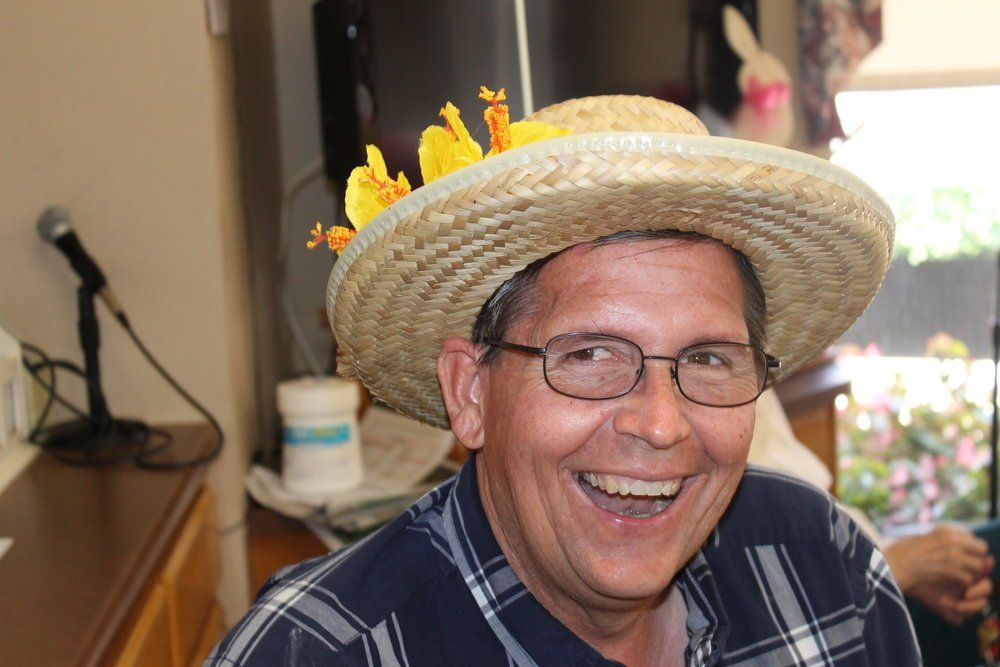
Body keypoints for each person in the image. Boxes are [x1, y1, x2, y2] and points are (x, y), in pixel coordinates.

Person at [208, 91, 920, 665]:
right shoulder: (315, 651)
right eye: (590, 355)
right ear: (471, 390)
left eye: (706, 359)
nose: (662, 424)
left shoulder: (828, 574)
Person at [751, 388, 997, 665]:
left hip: (860, 578)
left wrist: (906, 577)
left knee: (976, 558)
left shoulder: (757, 398)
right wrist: (892, 568)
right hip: (842, 604)